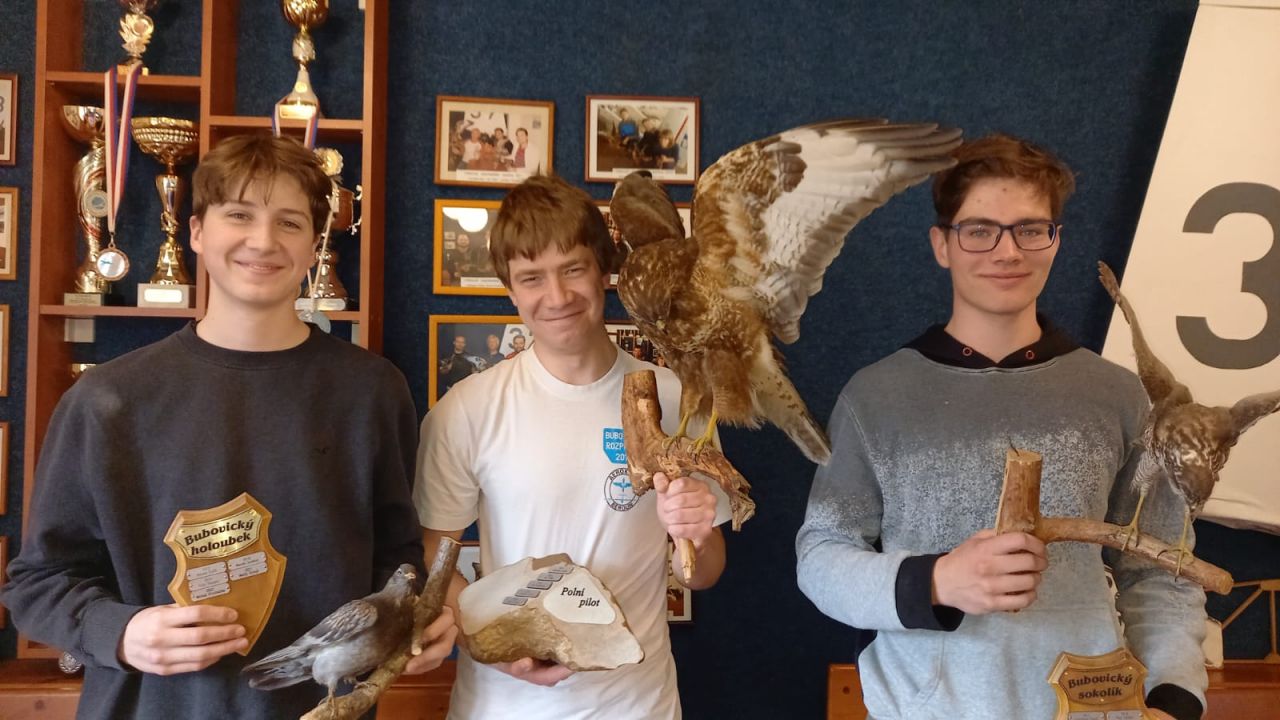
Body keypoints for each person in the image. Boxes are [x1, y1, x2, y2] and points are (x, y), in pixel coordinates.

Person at [0, 134, 456, 719]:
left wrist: (419, 619)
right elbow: (37, 581)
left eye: (289, 222)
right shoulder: (106, 399)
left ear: (315, 244)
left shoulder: (374, 391)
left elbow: (396, 561)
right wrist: (121, 632)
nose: (263, 241)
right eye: (239, 215)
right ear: (195, 231)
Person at [795, 134, 1207, 720]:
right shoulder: (876, 397)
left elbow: (1163, 569)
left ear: (1055, 240)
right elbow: (821, 555)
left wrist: (1173, 697)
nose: (1008, 251)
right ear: (942, 244)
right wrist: (936, 581)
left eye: (1030, 229)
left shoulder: (1118, 396)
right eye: (980, 230)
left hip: (1092, 707)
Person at [415, 174, 731, 719]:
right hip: (502, 706)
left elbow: (704, 572)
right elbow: (433, 556)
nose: (557, 297)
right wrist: (488, 644)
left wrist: (696, 535)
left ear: (605, 271)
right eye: (531, 278)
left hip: (637, 705)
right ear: (510, 290)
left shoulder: (678, 399)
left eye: (573, 269)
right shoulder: (466, 410)